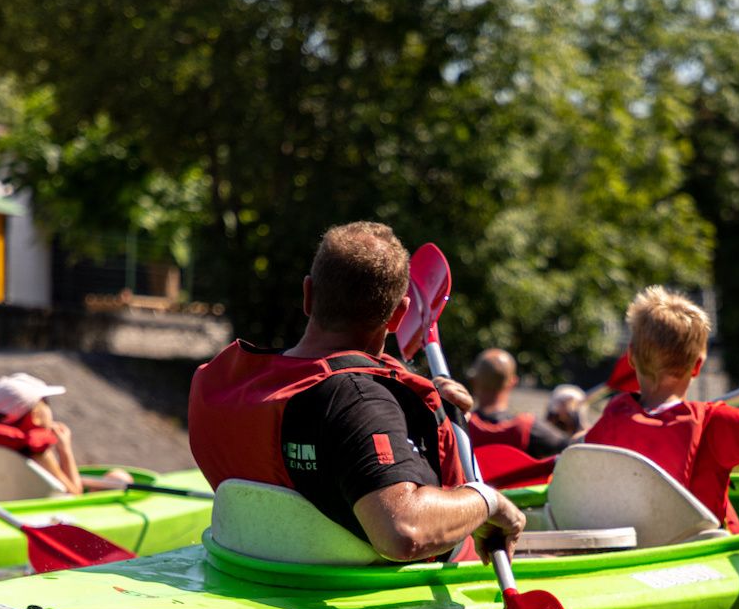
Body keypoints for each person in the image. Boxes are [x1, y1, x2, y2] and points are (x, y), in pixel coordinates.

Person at [187, 221, 525, 562]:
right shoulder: (358, 402)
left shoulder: (221, 382)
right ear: (398, 317)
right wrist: (487, 500)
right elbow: (402, 532)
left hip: (249, 563)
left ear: (307, 295)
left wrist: (428, 411)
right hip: (378, 590)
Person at [583, 286, 739, 534]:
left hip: (631, 554)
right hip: (700, 558)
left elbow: (580, 445)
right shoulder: (715, 422)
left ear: (630, 357)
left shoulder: (613, 417)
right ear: (697, 366)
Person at [0, 372, 133, 494]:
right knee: (119, 477)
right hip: (46, 518)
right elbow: (74, 494)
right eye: (46, 403)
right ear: (36, 415)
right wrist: (64, 450)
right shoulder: (37, 451)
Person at [463, 349, 573, 457]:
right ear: (513, 382)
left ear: (474, 381)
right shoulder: (528, 428)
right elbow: (571, 447)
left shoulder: (461, 426)